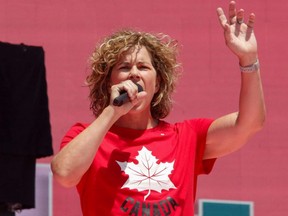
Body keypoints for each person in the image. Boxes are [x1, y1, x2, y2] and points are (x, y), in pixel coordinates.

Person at [51, 1, 266, 215]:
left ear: (158, 83)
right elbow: (64, 173)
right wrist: (113, 111)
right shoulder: (87, 136)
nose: (134, 73)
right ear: (109, 82)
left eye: (143, 67)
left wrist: (249, 59)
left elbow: (250, 123)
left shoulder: (186, 136)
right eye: (124, 67)